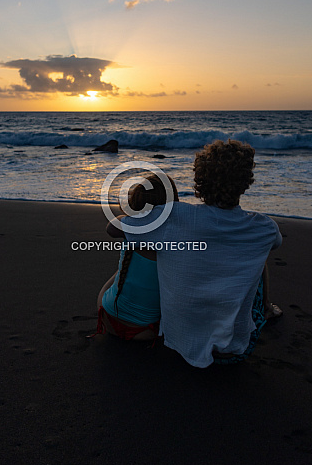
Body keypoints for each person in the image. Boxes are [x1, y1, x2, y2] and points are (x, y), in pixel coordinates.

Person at [107, 140, 282, 367]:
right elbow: (275, 243)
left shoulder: (172, 217)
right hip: (236, 349)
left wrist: (130, 217)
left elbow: (113, 229)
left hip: (179, 343)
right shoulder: (265, 227)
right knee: (258, 257)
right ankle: (267, 308)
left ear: (199, 179)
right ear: (246, 182)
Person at [96, 172, 179, 341]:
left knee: (119, 273)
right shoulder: (174, 237)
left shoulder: (130, 229)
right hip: (145, 332)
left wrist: (136, 218)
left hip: (108, 319)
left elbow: (111, 228)